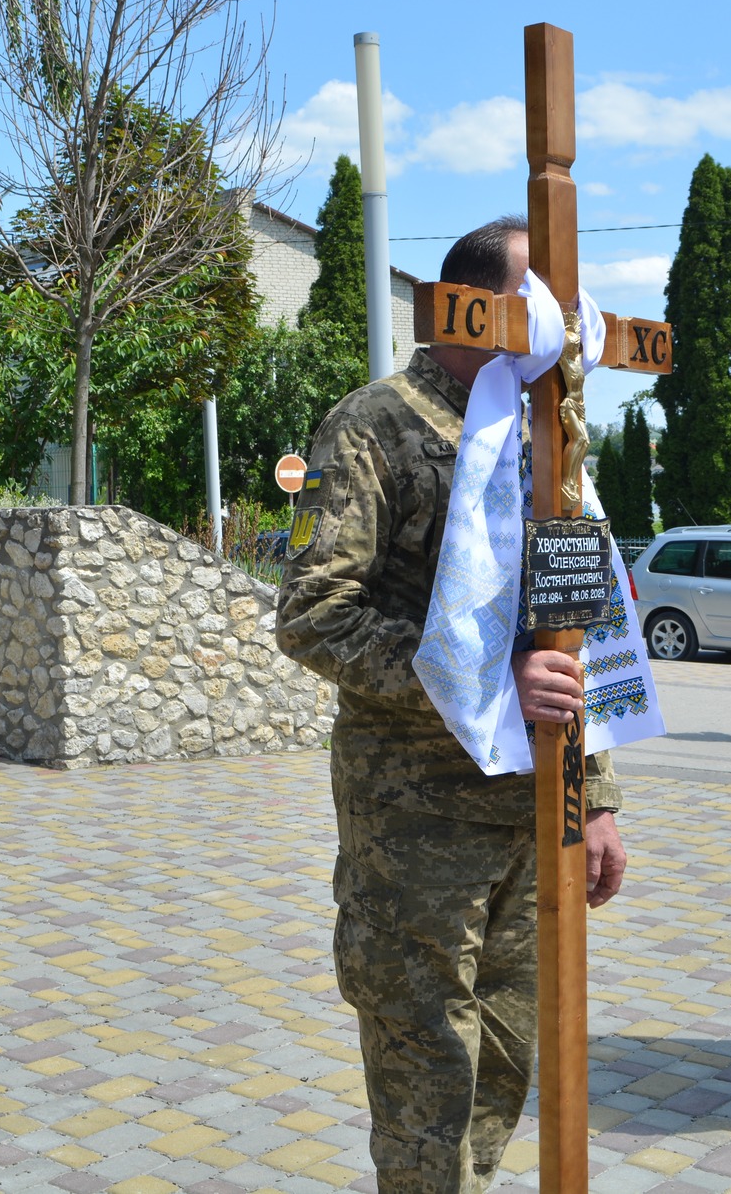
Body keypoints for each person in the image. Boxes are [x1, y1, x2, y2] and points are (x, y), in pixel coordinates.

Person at [277, 215, 629, 1194]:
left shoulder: (545, 433)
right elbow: (312, 618)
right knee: (429, 1086)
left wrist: (595, 795)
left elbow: (578, 620)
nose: (565, 323)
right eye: (542, 301)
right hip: (414, 834)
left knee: (506, 1062)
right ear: (473, 306)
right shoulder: (376, 426)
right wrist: (481, 682)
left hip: (532, 821)